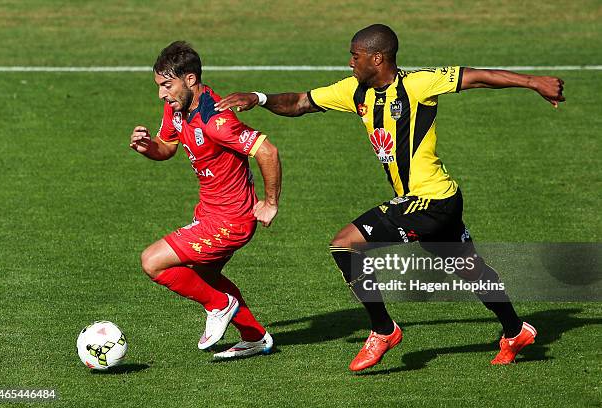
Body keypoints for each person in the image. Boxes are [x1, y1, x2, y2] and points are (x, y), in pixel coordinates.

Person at [215, 24, 565, 371]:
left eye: (355, 55)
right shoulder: (355, 91)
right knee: (469, 269)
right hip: (438, 199)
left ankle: (384, 330)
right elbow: (301, 102)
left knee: (345, 244)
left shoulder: (417, 85)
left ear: (377, 57)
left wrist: (535, 83)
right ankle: (516, 330)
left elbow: (478, 77)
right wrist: (259, 99)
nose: (350, 62)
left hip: (430, 200)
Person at [130, 41, 281, 360]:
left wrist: (269, 202)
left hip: (231, 220)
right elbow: (167, 146)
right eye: (159, 86)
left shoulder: (217, 120)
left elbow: (267, 151)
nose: (161, 94)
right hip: (209, 213)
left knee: (152, 261)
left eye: (166, 85)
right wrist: (148, 147)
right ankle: (254, 338)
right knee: (203, 276)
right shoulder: (176, 107)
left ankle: (219, 304)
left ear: (190, 79)